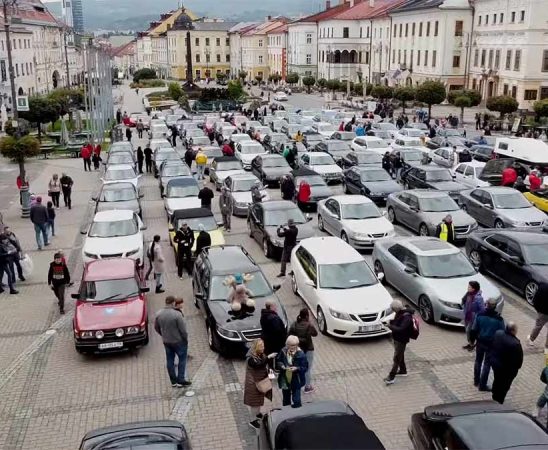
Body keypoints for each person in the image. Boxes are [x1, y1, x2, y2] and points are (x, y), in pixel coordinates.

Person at [154, 296, 192, 388]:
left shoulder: (159, 314)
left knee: (169, 360)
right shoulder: (177, 315)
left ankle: (173, 381)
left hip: (167, 342)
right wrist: (185, 339)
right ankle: (181, 380)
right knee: (182, 360)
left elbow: (156, 327)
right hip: (178, 341)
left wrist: (163, 335)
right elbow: (183, 330)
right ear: (173, 303)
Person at [470, 297, 505, 391]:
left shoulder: (480, 315)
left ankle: (476, 381)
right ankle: (482, 385)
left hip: (480, 342)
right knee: (487, 364)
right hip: (492, 345)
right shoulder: (499, 319)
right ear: (495, 307)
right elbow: (502, 333)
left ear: (486, 305)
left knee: (478, 361)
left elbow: (473, 329)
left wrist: (472, 341)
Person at [244, 338, 275, 430]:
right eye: (261, 346)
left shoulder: (261, 355)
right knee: (254, 403)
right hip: (253, 385)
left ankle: (257, 414)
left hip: (259, 383)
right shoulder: (251, 359)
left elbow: (265, 365)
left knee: (258, 402)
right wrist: (268, 357)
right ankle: (253, 421)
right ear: (255, 347)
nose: (263, 348)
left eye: (263, 346)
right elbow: (259, 365)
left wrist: (271, 374)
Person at [490, 322, 523, 404]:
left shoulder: (498, 333)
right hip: (507, 370)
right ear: (513, 331)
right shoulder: (515, 344)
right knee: (504, 386)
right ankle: (499, 400)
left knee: (497, 380)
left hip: (496, 364)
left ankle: (494, 395)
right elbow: (518, 361)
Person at [384, 300, 416, 385]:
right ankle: (403, 370)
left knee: (396, 358)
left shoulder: (407, 317)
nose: (393, 311)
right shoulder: (401, 312)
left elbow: (401, 329)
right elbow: (398, 321)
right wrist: (391, 322)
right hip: (397, 338)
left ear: (397, 308)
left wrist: (390, 326)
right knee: (400, 355)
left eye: (394, 310)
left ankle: (391, 377)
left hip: (402, 340)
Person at [288, 308, 317, 394]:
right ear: (307, 316)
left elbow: (289, 334)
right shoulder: (309, 325)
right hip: (308, 349)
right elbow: (315, 334)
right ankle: (307, 387)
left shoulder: (294, 324)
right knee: (307, 368)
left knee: (297, 367)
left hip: (298, 350)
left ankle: (296, 384)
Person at [276, 335, 308, 408]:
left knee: (296, 400)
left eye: (294, 345)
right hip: (285, 378)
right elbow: (278, 360)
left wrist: (296, 368)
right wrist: (282, 366)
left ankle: (297, 414)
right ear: (287, 344)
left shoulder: (301, 354)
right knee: (286, 400)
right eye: (290, 345)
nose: (292, 347)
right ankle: (287, 414)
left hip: (296, 379)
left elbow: (305, 367)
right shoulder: (283, 351)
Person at [462, 281, 485, 351]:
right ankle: (470, 343)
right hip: (467, 315)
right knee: (467, 330)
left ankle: (472, 344)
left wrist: (476, 315)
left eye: (469, 287)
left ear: (473, 289)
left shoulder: (478, 298)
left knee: (469, 331)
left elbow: (482, 309)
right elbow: (464, 301)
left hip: (473, 317)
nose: (467, 288)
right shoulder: (468, 294)